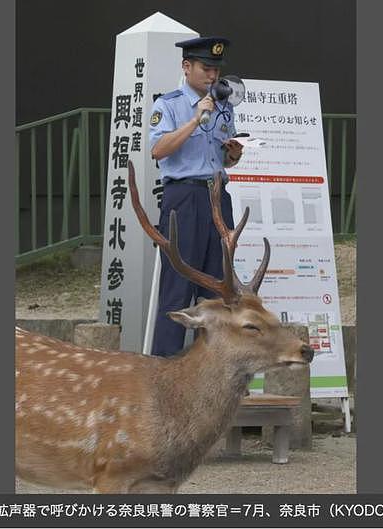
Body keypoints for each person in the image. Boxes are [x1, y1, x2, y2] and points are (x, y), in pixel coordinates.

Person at [148, 36, 244, 357]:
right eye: (206, 68)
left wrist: (234, 154)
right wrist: (194, 119)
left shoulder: (225, 106)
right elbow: (158, 151)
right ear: (186, 67)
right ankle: (165, 372)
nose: (212, 76)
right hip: (184, 199)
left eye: (216, 69)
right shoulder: (169, 104)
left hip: (218, 197)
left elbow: (224, 158)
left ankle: (210, 371)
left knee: (218, 287)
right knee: (177, 286)